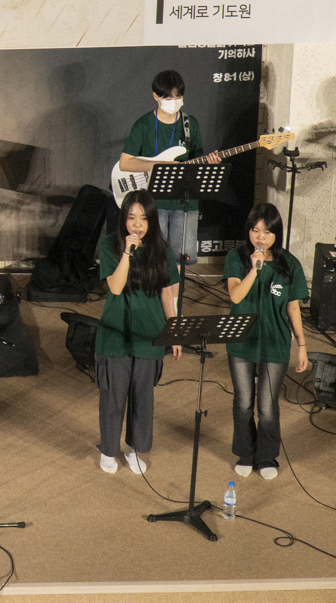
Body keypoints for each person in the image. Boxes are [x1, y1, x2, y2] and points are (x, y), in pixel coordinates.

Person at [95, 190, 182, 475]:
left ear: (152, 221)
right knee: (113, 396)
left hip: (150, 332)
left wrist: (174, 331)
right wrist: (127, 253)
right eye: (131, 217)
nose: (137, 224)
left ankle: (134, 450)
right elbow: (115, 286)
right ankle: (108, 450)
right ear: (123, 219)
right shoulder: (110, 244)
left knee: (142, 398)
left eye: (143, 218)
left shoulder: (162, 250)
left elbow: (167, 293)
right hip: (115, 332)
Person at [224, 203, 309, 481]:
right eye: (255, 230)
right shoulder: (236, 258)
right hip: (241, 341)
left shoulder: (289, 264)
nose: (260, 237)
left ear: (277, 234)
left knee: (268, 407)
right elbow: (235, 296)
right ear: (248, 231)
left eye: (267, 232)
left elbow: (293, 308)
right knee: (243, 402)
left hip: (275, 342)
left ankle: (266, 456)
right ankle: (245, 454)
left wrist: (302, 345)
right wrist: (254, 269)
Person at [117, 70, 221, 267]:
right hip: (153, 200)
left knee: (183, 258)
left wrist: (210, 164)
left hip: (184, 200)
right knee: (154, 256)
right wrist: (159, 166)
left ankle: (175, 288)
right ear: (155, 96)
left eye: (178, 97)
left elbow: (197, 161)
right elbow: (125, 163)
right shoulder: (143, 125)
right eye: (168, 97)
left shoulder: (190, 124)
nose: (174, 101)